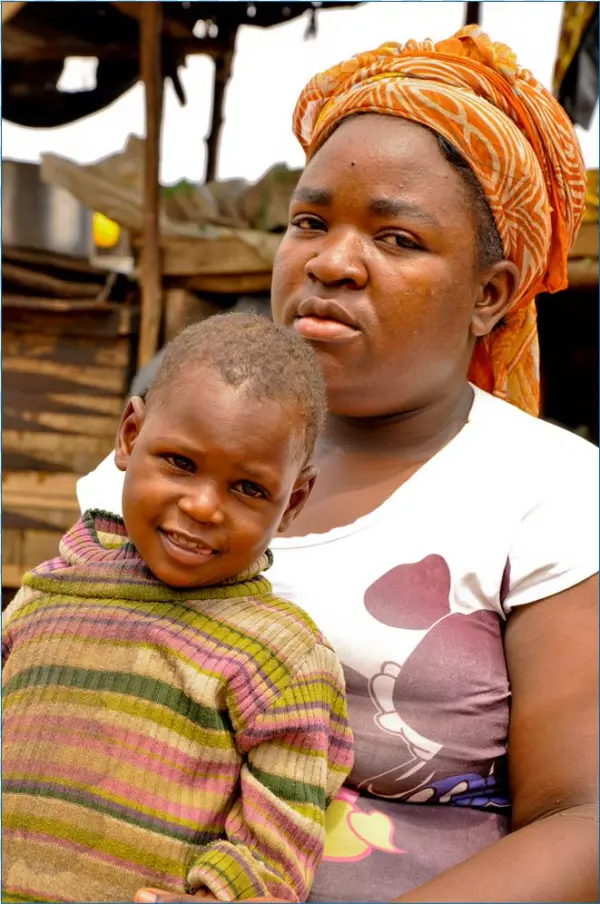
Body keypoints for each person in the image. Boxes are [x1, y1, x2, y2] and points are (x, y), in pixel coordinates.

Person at [77, 25, 598, 904]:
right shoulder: (183, 447)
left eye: (396, 239)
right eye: (310, 222)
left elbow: (580, 820)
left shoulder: (548, 492)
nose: (331, 262)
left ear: (490, 294)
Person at [2, 314, 354, 903]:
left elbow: (284, 835)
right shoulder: (49, 592)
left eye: (248, 488)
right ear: (129, 437)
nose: (203, 506)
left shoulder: (280, 654)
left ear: (292, 502)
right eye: (180, 464)